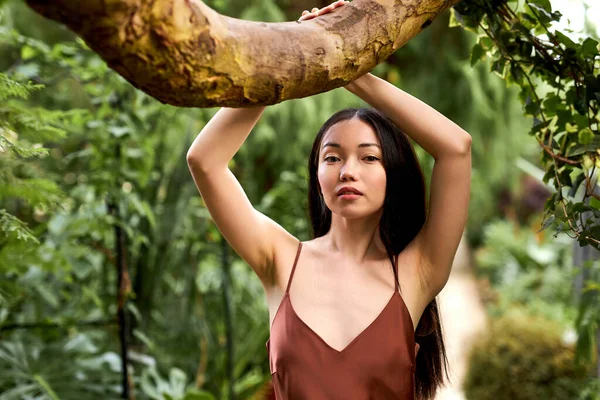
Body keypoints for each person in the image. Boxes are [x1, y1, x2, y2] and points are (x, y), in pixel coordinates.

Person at [186, 1, 472, 398]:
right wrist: (287, 59)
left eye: (369, 157)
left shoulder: (416, 273)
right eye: (332, 157)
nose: (347, 170)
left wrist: (354, 71)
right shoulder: (279, 259)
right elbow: (205, 161)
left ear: (394, 173)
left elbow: (457, 148)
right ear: (316, 175)